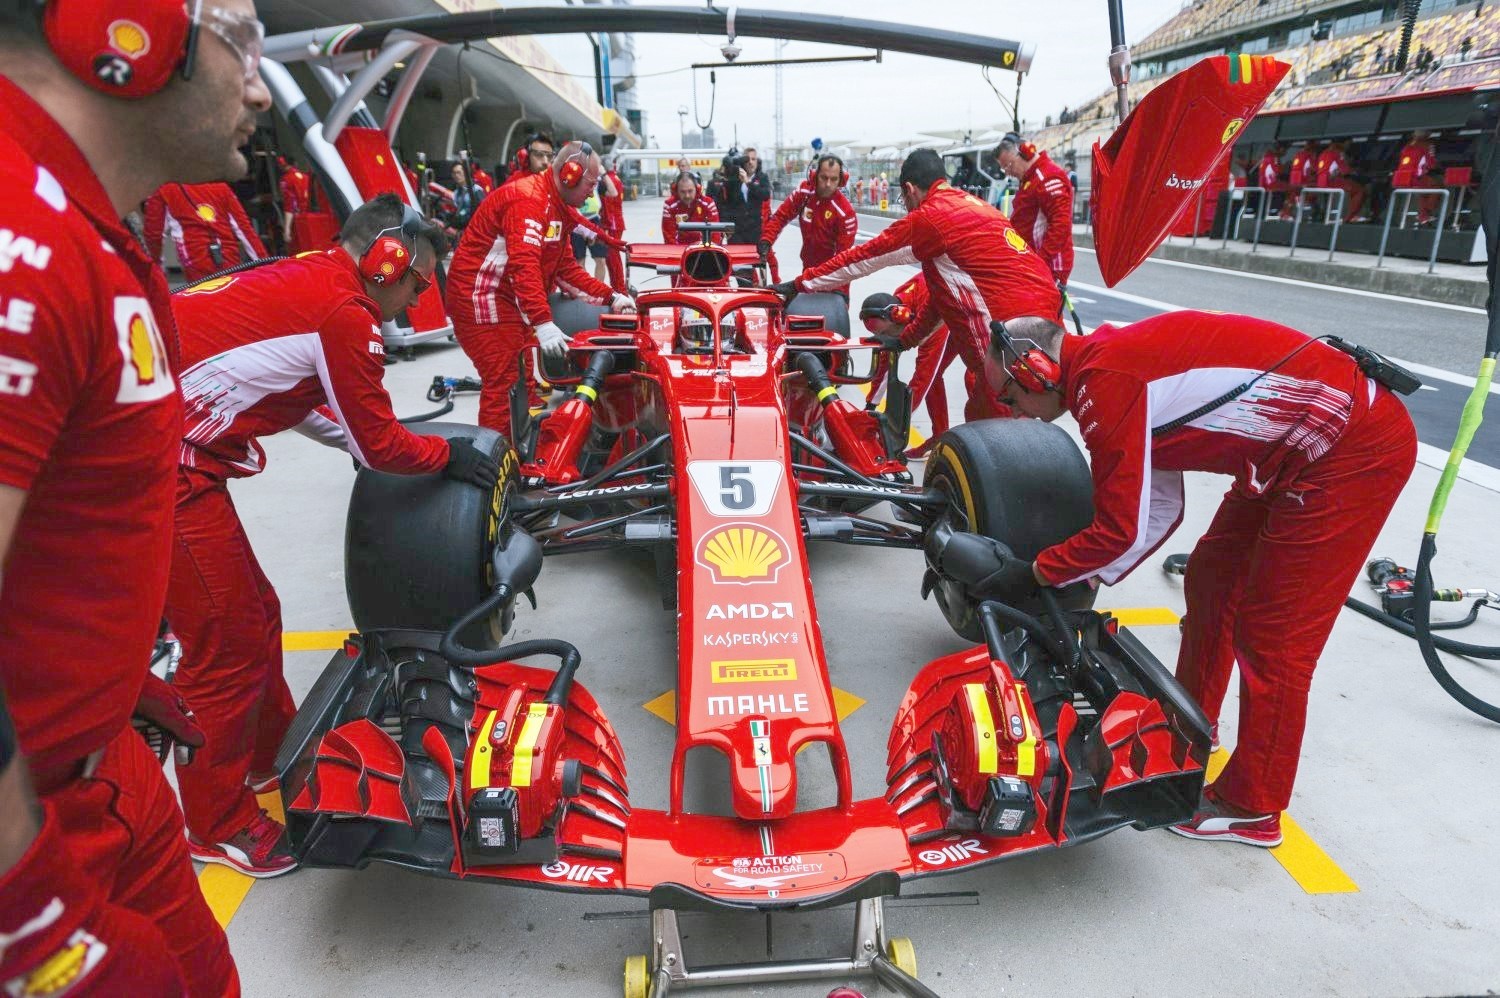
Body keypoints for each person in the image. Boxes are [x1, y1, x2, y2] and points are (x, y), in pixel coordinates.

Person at [0, 1, 271, 992]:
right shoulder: (22, 238)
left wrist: (107, 672)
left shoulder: (79, 220)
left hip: (102, 769)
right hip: (31, 849)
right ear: (124, 28)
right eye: (238, 37)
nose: (259, 82)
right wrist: (30, 929)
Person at [978, 310, 1416, 847]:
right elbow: (1157, 509)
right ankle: (1190, 730)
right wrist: (1074, 577)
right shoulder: (1108, 374)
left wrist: (1038, 572)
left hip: (1351, 449)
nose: (1013, 412)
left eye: (1008, 397)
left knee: (1275, 639)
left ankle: (1253, 807)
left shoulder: (1105, 386)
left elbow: (1120, 527)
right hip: (1289, 453)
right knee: (1211, 581)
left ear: (1037, 369)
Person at [168, 195, 496, 876]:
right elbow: (380, 448)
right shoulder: (345, 311)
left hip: (168, 447)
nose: (418, 297)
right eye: (418, 281)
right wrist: (444, 456)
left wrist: (363, 437)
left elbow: (313, 398)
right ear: (387, 260)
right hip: (150, 462)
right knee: (222, 642)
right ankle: (216, 824)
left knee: (257, 614)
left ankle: (261, 759)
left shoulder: (317, 276)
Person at [773, 148, 1062, 419]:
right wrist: (906, 340)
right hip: (1049, 333)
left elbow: (865, 257)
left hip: (1010, 345)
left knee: (989, 431)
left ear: (909, 190)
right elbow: (943, 301)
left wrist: (800, 284)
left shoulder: (932, 218)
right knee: (984, 405)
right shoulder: (978, 208)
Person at [447, 141, 635, 431]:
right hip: (480, 297)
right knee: (504, 382)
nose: (592, 191)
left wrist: (612, 295)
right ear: (569, 175)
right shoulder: (529, 201)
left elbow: (566, 268)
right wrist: (543, 322)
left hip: (506, 298)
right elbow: (525, 266)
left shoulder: (556, 207)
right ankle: (497, 462)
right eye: (590, 183)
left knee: (518, 379)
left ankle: (514, 446)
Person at [760, 154, 858, 296]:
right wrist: (766, 240)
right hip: (807, 273)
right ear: (815, 175)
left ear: (842, 180)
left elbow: (843, 260)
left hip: (832, 281)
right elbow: (781, 216)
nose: (828, 184)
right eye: (824, 178)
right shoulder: (804, 193)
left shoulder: (845, 212)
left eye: (834, 179)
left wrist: (841, 295)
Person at [145, 180, 268, 281]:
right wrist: (265, 266)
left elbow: (154, 235)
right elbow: (245, 229)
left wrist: (157, 269)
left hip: (194, 260)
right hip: (229, 258)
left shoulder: (164, 190)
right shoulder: (221, 187)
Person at [995, 133, 1075, 287]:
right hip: (1031, 263)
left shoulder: (1048, 177)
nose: (1008, 173)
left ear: (1024, 154)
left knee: (1043, 311)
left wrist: (1040, 262)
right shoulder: (1030, 179)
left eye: (1008, 166)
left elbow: (1061, 225)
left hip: (1047, 266)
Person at [710, 146, 771, 244]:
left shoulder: (762, 177)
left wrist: (748, 183)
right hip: (737, 229)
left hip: (755, 228)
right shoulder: (735, 177)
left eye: (753, 159)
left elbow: (765, 195)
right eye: (747, 159)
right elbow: (725, 203)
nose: (750, 162)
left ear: (757, 161)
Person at [1393, 130, 1441, 225]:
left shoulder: (1407, 145)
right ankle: (1425, 213)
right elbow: (1432, 164)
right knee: (1436, 186)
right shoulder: (1428, 144)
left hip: (1400, 178)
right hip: (1415, 178)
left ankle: (1423, 215)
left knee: (1422, 189)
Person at [662, 171, 723, 244]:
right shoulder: (669, 205)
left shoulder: (708, 204)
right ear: (676, 190)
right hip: (679, 251)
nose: (687, 195)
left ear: (697, 188)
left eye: (690, 191)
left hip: (704, 250)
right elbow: (669, 237)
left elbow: (715, 235)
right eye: (683, 192)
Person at [1315, 139, 1366, 221]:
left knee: (1351, 184)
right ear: (1342, 143)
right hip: (1331, 181)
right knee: (1359, 190)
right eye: (1348, 143)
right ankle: (1350, 217)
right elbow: (1345, 170)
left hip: (1321, 182)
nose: (1349, 145)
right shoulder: (1338, 152)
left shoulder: (1324, 152)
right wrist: (1356, 171)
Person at [599, 155, 628, 292]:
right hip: (616, 221)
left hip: (612, 223)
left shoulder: (608, 180)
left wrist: (605, 224)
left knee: (612, 257)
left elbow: (607, 205)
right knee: (612, 257)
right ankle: (618, 287)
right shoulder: (615, 178)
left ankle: (619, 288)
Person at [1281, 140, 1320, 219]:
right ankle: (1315, 213)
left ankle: (1285, 214)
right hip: (1303, 182)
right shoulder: (1310, 156)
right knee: (1318, 189)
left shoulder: (1298, 154)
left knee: (1291, 197)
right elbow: (1314, 169)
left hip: (1294, 181)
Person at [446, 161, 487, 234]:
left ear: (465, 173)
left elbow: (483, 212)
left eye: (459, 172)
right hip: (460, 231)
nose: (456, 175)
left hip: (473, 231)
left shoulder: (476, 190)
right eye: (454, 173)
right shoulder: (456, 192)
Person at [1256, 144, 1286, 216]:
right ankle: (1276, 211)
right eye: (1284, 151)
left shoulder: (1266, 157)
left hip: (1264, 184)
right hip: (1270, 184)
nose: (1284, 153)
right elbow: (1278, 171)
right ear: (1279, 150)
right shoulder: (1273, 158)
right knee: (1287, 188)